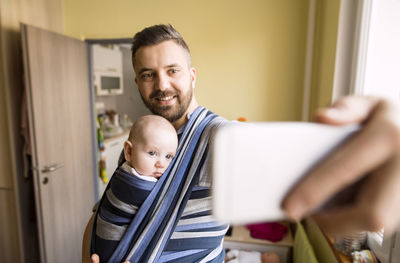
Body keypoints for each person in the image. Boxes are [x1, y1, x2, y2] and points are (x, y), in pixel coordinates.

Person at [84, 24, 400, 263]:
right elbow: (108, 209)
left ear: (192, 76)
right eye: (148, 74)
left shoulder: (223, 140)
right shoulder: (143, 138)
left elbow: (307, 165)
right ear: (138, 82)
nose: (162, 84)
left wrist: (384, 139)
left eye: (173, 71)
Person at [91, 115, 178, 262]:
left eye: (168, 156)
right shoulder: (136, 185)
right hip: (114, 252)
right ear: (129, 152)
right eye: (152, 153)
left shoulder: (122, 170)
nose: (161, 164)